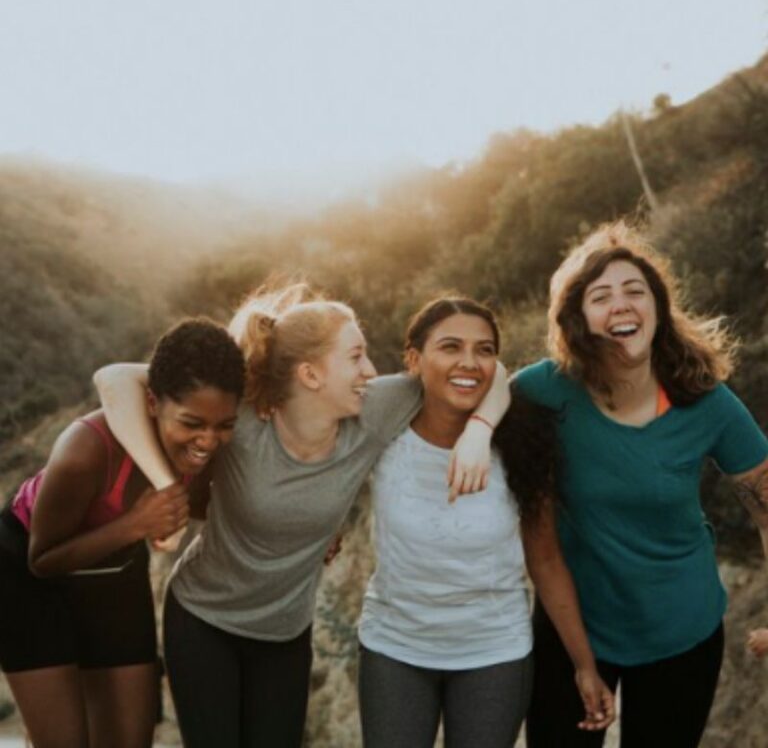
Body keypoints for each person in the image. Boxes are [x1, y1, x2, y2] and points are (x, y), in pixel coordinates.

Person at [93, 284, 505, 748]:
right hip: (204, 620)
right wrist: (166, 485)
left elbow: (488, 370)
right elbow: (114, 379)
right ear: (310, 374)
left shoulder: (373, 412)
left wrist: (479, 431)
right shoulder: (243, 419)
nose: (370, 370)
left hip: (285, 634)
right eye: (355, 357)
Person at [506, 223, 768, 748]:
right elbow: (479, 387)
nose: (621, 304)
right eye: (600, 296)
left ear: (657, 308)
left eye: (635, 291)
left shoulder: (706, 401)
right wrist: (583, 664)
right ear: (577, 319)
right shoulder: (542, 392)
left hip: (681, 630)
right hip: (573, 623)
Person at [357, 297, 614, 748]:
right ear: (415, 360)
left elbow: (547, 561)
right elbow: (322, 460)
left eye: (485, 350)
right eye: (450, 347)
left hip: (494, 653)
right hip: (394, 648)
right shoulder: (384, 426)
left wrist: (584, 665)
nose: (469, 363)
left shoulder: (522, 444)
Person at [0, 318, 244, 748]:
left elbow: (209, 505)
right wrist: (135, 524)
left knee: (130, 741)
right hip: (27, 575)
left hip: (116, 570)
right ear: (152, 402)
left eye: (223, 425)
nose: (207, 440)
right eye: (191, 423)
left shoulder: (210, 448)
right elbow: (42, 560)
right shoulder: (86, 450)